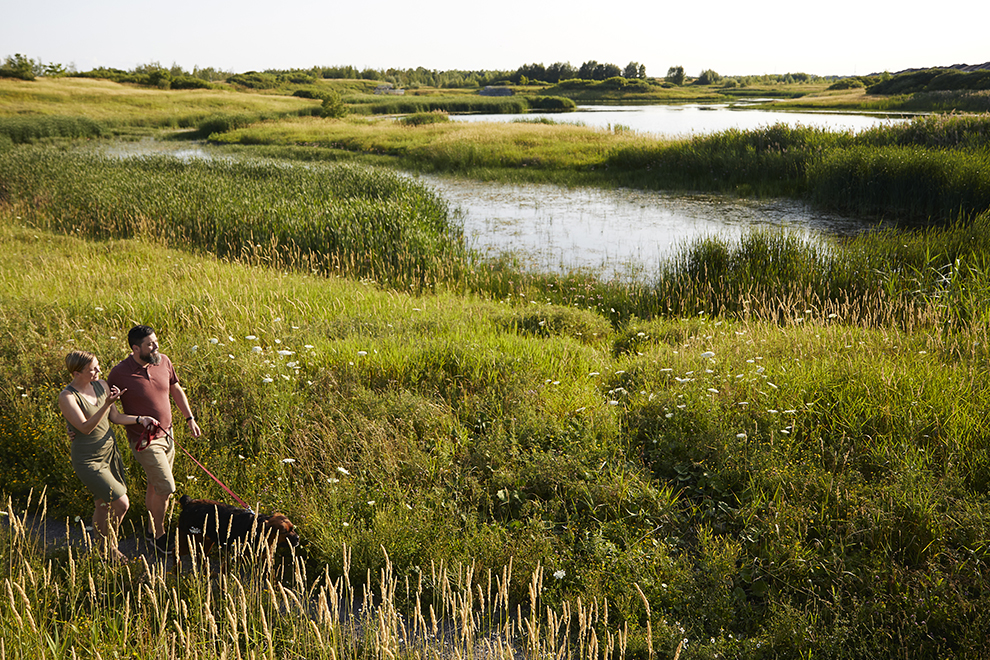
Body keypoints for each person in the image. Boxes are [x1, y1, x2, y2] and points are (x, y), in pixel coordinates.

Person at [108, 325, 201, 554]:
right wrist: (140, 420)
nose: (156, 346)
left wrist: (189, 418)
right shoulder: (119, 373)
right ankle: (159, 535)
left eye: (156, 341)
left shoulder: (163, 361)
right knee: (166, 487)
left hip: (168, 435)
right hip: (145, 440)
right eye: (150, 344)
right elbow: (112, 413)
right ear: (135, 348)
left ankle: (150, 530)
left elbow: (176, 389)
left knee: (154, 485)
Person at [58, 350, 157, 557]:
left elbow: (116, 417)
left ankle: (99, 550)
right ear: (76, 373)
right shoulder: (67, 396)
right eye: (92, 369)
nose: (98, 371)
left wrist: (141, 419)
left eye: (97, 366)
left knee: (103, 505)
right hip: (88, 459)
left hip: (109, 453)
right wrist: (107, 404)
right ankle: (111, 548)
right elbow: (85, 428)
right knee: (121, 503)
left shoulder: (101, 385)